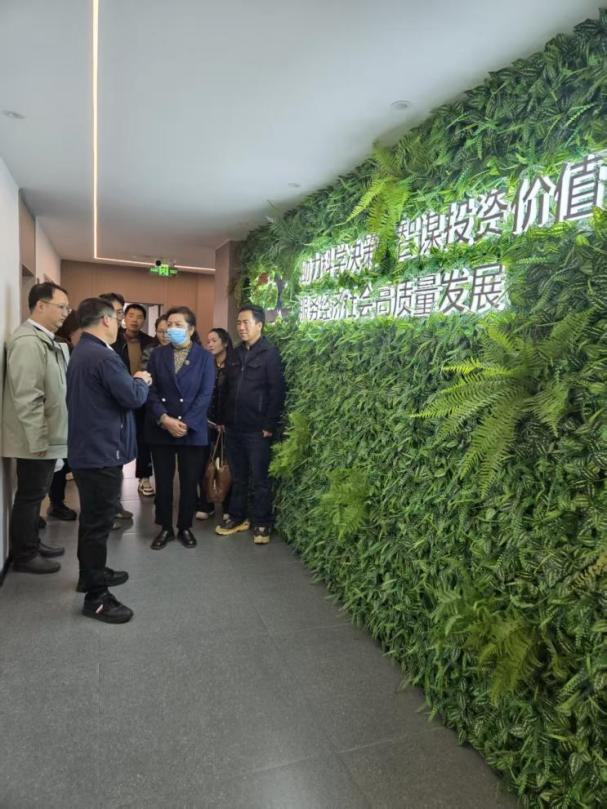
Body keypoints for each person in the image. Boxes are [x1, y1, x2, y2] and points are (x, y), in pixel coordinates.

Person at [67, 297, 152, 623]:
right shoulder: (103, 356)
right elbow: (132, 397)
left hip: (89, 449)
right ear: (105, 320)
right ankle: (97, 598)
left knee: (92, 521)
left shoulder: (83, 351)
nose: (120, 323)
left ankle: (90, 575)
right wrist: (141, 380)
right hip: (101, 453)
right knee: (98, 525)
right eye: (117, 317)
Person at [2, 282, 70, 573]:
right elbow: (28, 396)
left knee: (36, 493)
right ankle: (25, 555)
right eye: (61, 307)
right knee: (30, 495)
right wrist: (38, 439)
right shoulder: (28, 342)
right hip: (36, 438)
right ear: (40, 306)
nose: (66, 313)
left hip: (46, 434)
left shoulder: (44, 339)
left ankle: (32, 542)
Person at [145, 306, 215, 550]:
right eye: (169, 325)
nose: (171, 329)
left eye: (178, 325)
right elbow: (150, 390)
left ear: (191, 329)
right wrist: (164, 419)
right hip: (162, 427)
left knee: (189, 481)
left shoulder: (204, 357)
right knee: (163, 482)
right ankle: (165, 527)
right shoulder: (157, 355)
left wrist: (186, 423)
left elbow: (205, 394)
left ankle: (185, 526)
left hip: (191, 428)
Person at [215, 305, 285, 545]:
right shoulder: (235, 354)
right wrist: (222, 419)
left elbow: (277, 391)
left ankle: (262, 522)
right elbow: (226, 388)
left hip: (257, 429)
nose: (241, 327)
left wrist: (269, 424)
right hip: (233, 426)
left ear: (259, 325)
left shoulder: (269, 353)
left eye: (245, 322)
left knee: (260, 478)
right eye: (238, 323)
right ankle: (237, 517)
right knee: (238, 476)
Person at [98, 292, 136, 525]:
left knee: (115, 465)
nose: (121, 318)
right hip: (105, 417)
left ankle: (113, 505)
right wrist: (138, 384)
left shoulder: (118, 339)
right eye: (118, 313)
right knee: (104, 469)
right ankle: (107, 511)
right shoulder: (98, 347)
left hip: (118, 411)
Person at [112, 303, 155, 497]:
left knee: (144, 438)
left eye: (139, 317)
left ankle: (144, 477)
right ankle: (116, 474)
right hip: (121, 396)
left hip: (143, 395)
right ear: (124, 317)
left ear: (144, 321)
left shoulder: (149, 342)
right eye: (131, 315)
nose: (135, 320)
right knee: (119, 436)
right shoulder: (114, 340)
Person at [47, 310, 82, 521]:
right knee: (58, 462)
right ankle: (56, 503)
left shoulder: (66, 344)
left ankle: (56, 502)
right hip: (61, 412)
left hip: (68, 411)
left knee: (62, 460)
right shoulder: (62, 346)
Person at [196, 327, 233, 521]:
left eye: (214, 341)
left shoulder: (234, 366)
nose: (209, 344)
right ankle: (206, 504)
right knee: (204, 464)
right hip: (205, 422)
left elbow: (234, 397)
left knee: (226, 465)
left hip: (227, 424)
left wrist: (225, 421)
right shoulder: (205, 364)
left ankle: (228, 507)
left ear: (225, 343)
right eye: (208, 341)